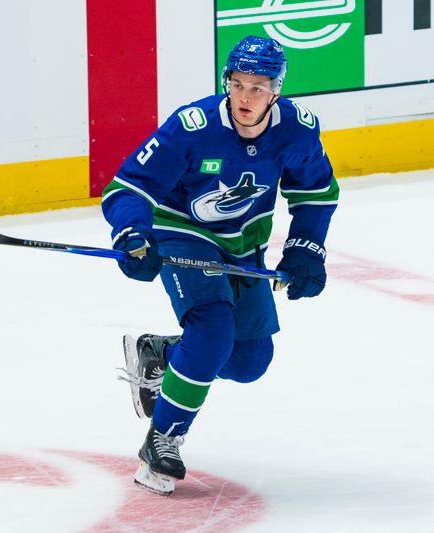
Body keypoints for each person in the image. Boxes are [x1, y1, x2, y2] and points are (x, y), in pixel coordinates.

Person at [101, 35, 340, 496]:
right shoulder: (192, 127)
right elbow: (127, 188)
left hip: (242, 244)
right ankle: (164, 438)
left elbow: (316, 193)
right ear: (226, 81)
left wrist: (308, 246)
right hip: (182, 233)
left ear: (277, 90)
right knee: (212, 333)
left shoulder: (298, 130)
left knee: (250, 361)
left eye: (258, 87)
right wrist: (131, 233)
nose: (245, 97)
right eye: (238, 84)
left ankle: (163, 354)